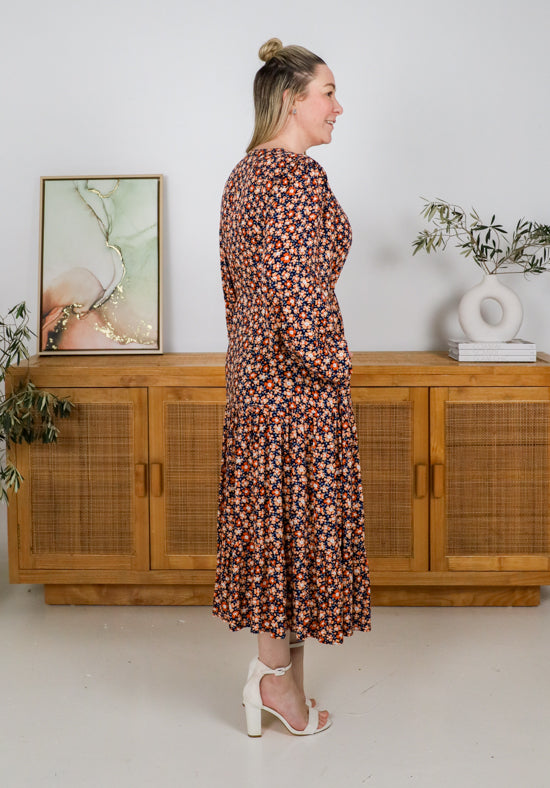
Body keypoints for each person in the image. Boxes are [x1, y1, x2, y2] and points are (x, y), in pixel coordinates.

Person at [212, 37, 371, 737]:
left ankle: (279, 683)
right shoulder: (296, 181)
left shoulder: (244, 177)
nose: (339, 107)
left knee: (276, 537)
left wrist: (253, 362)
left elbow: (237, 286)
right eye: (328, 92)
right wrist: (332, 366)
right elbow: (298, 296)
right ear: (291, 100)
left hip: (254, 384)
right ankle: (277, 685)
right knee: (295, 536)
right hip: (298, 394)